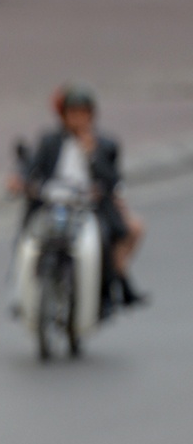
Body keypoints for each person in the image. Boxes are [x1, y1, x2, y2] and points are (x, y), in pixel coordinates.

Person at [11, 84, 147, 311]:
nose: (78, 119)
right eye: (73, 114)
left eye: (83, 114)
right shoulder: (50, 141)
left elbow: (112, 180)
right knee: (28, 240)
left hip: (88, 206)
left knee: (107, 239)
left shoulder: (105, 144)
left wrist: (92, 156)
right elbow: (31, 167)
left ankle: (108, 289)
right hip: (52, 203)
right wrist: (19, 180)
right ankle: (22, 294)